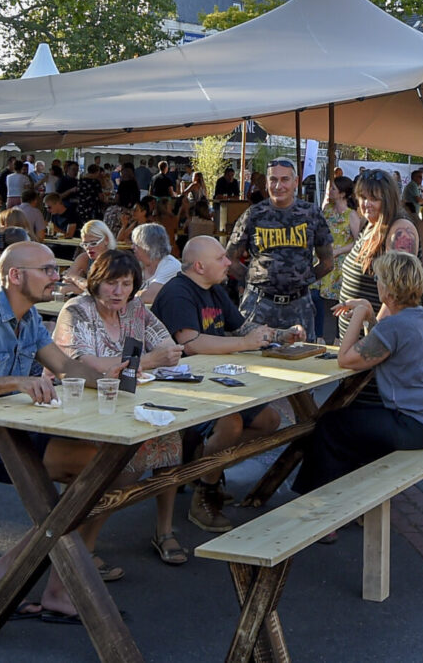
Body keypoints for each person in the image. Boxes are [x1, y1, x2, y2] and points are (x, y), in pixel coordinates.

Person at [0, 240, 132, 612]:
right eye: (48, 270)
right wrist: (16, 382)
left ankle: (25, 570)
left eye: (56, 269)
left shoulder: (31, 319)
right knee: (95, 469)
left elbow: (68, 369)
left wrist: (108, 380)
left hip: (7, 431)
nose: (57, 277)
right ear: (16, 275)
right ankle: (52, 583)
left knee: (113, 470)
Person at [52, 248, 191, 561]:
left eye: (126, 284)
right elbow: (83, 365)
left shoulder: (135, 309)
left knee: (170, 439)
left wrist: (161, 356)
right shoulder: (77, 310)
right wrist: (145, 361)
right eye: (111, 283)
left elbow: (168, 344)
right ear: (96, 282)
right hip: (81, 408)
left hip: (125, 404)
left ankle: (164, 530)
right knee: (126, 459)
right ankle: (84, 546)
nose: (118, 292)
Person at [159, 237, 304, 532]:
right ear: (199, 266)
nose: (229, 262)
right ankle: (205, 490)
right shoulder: (177, 292)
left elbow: (241, 327)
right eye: (222, 258)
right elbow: (191, 343)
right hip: (179, 389)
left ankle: (206, 466)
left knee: (269, 420)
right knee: (232, 425)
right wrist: (244, 343)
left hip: (214, 384)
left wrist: (280, 335)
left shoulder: (214, 289)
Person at [296, 251, 423, 498]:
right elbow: (383, 341)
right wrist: (370, 316)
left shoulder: (394, 326)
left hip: (421, 424)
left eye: (379, 279)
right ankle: (349, 496)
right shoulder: (421, 316)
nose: (377, 283)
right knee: (349, 426)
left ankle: (316, 506)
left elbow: (346, 358)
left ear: (389, 287)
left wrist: (362, 312)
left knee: (330, 426)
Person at [226, 159, 335, 336]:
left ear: (295, 182)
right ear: (267, 182)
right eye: (273, 180)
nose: (279, 186)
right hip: (259, 304)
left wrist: (301, 279)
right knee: (250, 357)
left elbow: (328, 263)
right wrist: (254, 279)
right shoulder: (253, 215)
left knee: (303, 357)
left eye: (285, 179)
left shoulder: (311, 214)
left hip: (299, 305)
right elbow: (229, 259)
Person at [335, 169, 419, 306]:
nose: (366, 204)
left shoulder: (400, 229)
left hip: (377, 325)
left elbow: (398, 296)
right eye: (363, 197)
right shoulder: (368, 223)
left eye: (374, 199)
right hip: (355, 324)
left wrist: (376, 325)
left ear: (388, 199)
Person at [128, 223, 181, 295]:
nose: (132, 247)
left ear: (148, 247)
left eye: (136, 244)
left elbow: (150, 296)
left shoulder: (171, 266)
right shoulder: (138, 264)